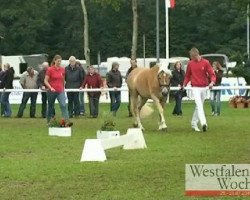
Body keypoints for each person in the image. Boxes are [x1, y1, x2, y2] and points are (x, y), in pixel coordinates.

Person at [182, 47, 216, 132]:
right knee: (199, 105)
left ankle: (194, 123)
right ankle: (204, 123)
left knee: (199, 106)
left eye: (192, 57)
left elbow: (212, 74)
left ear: (196, 55)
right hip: (195, 87)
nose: (191, 59)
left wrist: (212, 82)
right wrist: (184, 84)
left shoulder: (206, 62)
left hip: (204, 87)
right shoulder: (190, 64)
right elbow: (187, 76)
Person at [44, 54, 72, 126]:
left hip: (60, 90)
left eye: (60, 61)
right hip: (51, 91)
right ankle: (49, 121)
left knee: (63, 105)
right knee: (50, 106)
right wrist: (50, 87)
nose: (59, 62)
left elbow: (63, 80)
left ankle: (66, 121)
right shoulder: (50, 69)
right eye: (58, 61)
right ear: (55, 61)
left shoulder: (62, 70)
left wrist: (63, 87)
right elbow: (45, 81)